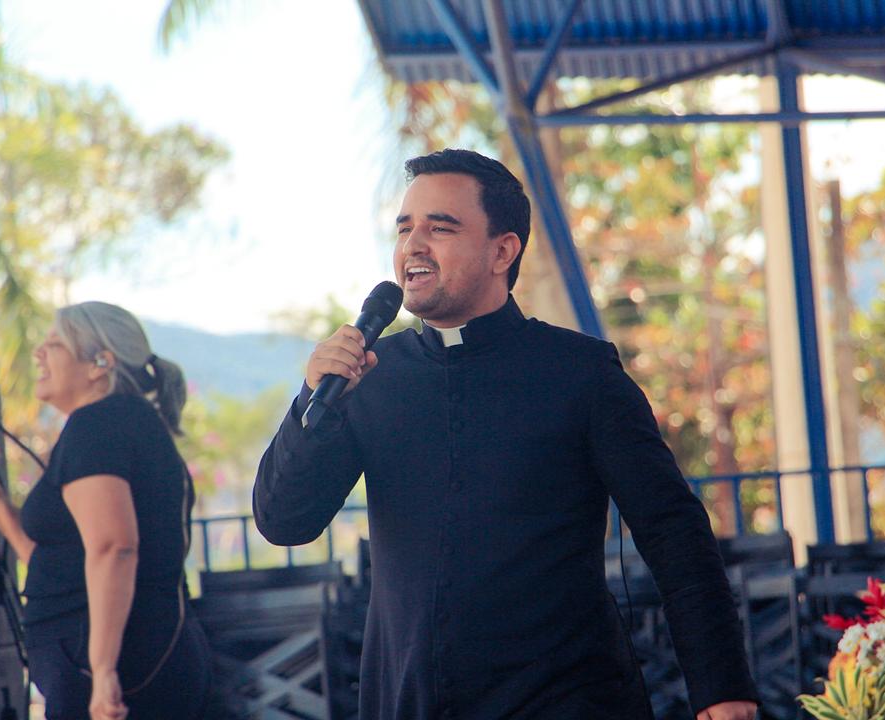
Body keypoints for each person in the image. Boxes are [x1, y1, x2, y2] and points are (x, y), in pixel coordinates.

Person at [253, 149, 759, 720]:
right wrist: (312, 399)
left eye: (440, 228)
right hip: (409, 701)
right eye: (404, 228)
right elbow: (284, 522)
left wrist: (722, 688)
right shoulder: (370, 377)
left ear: (503, 251)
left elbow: (673, 531)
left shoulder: (579, 372)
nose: (413, 245)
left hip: (565, 700)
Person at [0, 302, 210, 720]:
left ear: (101, 363)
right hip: (126, 657)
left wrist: (103, 670)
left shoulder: (98, 425)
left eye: (55, 343)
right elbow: (56, 565)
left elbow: (114, 547)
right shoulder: (120, 422)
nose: (38, 353)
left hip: (117, 666)